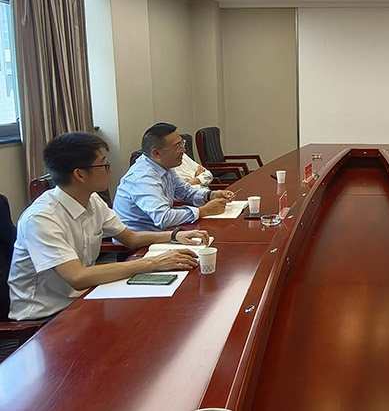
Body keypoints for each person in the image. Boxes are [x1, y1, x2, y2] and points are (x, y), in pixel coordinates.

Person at [8, 133, 208, 321]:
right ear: (79, 174)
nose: (109, 170)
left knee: (165, 312)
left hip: (85, 298)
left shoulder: (92, 200)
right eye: (104, 165)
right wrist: (154, 263)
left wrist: (175, 235)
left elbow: (130, 238)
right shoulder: (41, 218)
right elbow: (77, 277)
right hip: (47, 316)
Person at [113, 123, 234, 232]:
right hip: (140, 244)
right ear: (156, 153)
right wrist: (203, 211)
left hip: (162, 234)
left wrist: (210, 195)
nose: (183, 150)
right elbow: (163, 218)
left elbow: (185, 191)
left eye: (182, 144)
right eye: (177, 147)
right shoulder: (143, 177)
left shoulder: (164, 167)